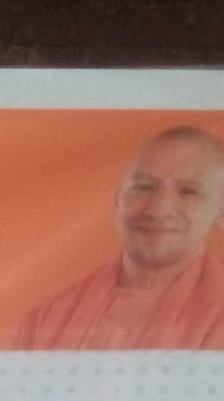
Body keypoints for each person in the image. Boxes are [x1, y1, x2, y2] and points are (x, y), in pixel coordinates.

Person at [17, 126, 224, 349]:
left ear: (220, 212)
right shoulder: (46, 319)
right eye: (143, 187)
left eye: (188, 191)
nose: (158, 209)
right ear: (116, 201)